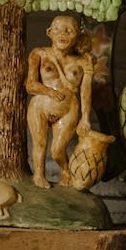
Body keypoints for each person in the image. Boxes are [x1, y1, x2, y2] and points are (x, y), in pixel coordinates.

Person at [25, 15, 94, 188]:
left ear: (77, 35)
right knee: (39, 143)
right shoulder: (39, 54)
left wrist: (85, 118)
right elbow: (30, 84)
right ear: (49, 33)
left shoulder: (83, 61)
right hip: (40, 105)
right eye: (57, 29)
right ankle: (39, 175)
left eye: (69, 30)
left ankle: (65, 170)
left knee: (57, 151)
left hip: (68, 108)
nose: (62, 34)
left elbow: (86, 91)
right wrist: (48, 91)